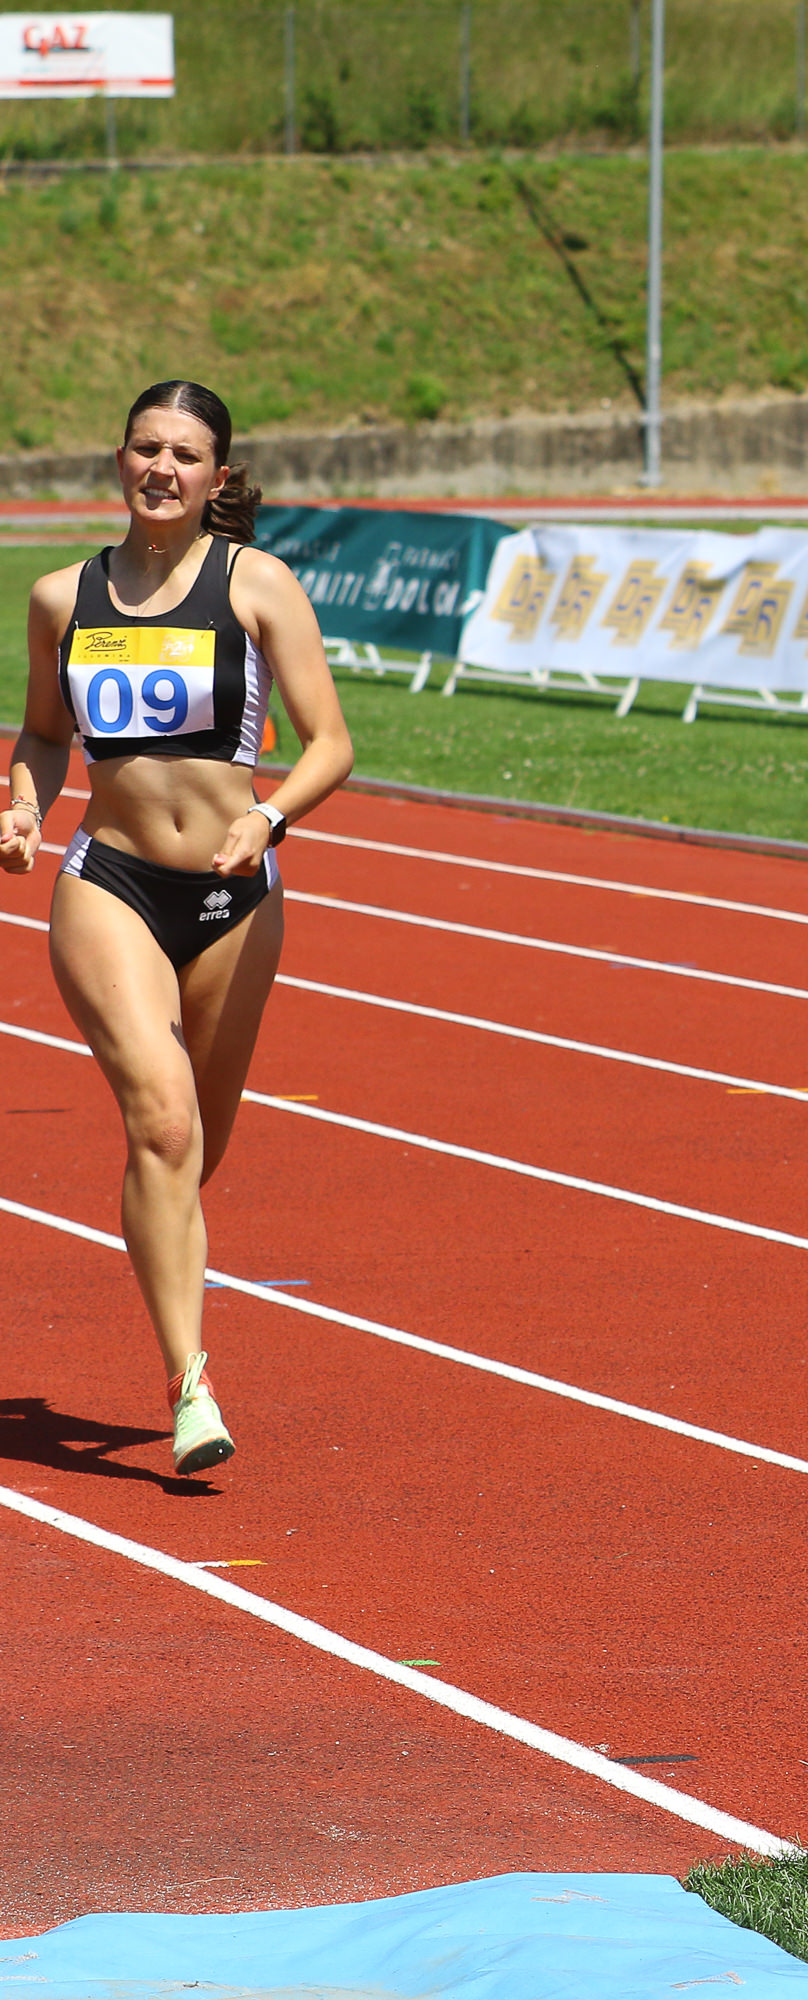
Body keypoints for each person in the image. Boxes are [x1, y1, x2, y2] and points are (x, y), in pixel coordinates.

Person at [1, 381, 351, 1479]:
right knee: (160, 1123)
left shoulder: (256, 584)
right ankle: (189, 1379)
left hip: (235, 896)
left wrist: (269, 816)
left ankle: (166, 1254)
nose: (163, 467)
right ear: (120, 460)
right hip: (109, 882)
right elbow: (43, 734)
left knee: (196, 1146)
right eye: (146, 447)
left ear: (216, 476)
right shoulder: (62, 596)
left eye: (185, 454)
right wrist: (24, 803)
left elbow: (331, 742)